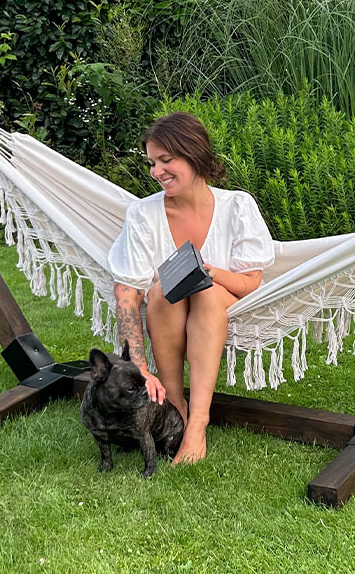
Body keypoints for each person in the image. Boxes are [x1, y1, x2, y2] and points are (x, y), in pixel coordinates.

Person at [106, 112, 274, 464]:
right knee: (162, 289)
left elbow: (251, 283)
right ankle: (174, 406)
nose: (156, 172)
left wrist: (209, 273)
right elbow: (126, 293)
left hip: (218, 305)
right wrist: (139, 368)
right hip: (166, 311)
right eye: (152, 162)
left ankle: (198, 423)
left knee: (206, 290)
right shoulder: (143, 215)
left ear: (195, 154)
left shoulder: (237, 207)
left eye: (167, 160)